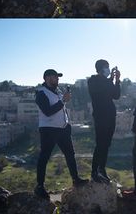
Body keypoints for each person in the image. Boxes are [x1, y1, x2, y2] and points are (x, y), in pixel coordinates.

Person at [34, 69, 88, 200]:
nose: (58, 79)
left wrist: (67, 123)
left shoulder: (56, 92)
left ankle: (76, 179)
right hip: (48, 130)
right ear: (47, 78)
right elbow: (47, 111)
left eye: (58, 77)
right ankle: (40, 187)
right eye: (55, 77)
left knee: (70, 154)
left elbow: (60, 110)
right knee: (44, 158)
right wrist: (63, 100)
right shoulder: (41, 93)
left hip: (63, 129)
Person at [87, 59, 121, 183]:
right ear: (100, 68)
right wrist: (110, 80)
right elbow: (100, 91)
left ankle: (102, 169)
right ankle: (94, 171)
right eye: (106, 67)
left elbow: (116, 95)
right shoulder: (93, 81)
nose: (108, 69)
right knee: (100, 144)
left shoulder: (107, 82)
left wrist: (116, 80)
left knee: (106, 145)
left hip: (111, 116)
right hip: (101, 117)